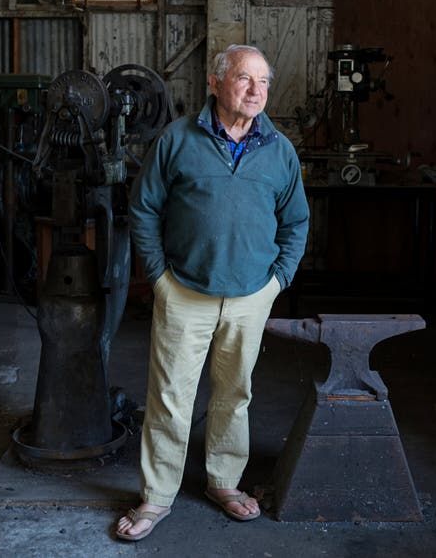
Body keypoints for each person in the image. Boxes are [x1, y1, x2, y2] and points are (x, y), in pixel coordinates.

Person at [116, 44, 309, 541]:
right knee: (170, 398)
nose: (255, 91)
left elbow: (296, 221)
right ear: (215, 82)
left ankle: (223, 481)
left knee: (234, 395)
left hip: (250, 296)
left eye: (263, 81)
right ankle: (156, 497)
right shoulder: (177, 140)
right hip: (185, 291)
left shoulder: (279, 149)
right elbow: (143, 210)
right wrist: (158, 275)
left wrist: (277, 281)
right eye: (245, 79)